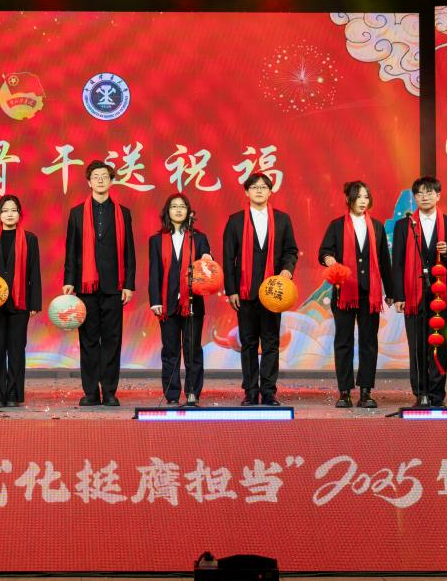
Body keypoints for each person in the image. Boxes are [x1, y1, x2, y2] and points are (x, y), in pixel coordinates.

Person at [63, 160, 137, 407]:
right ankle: (91, 392)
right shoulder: (76, 213)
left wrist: (128, 284)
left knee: (112, 341)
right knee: (88, 340)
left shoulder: (123, 213)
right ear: (89, 182)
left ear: (111, 180)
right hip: (86, 286)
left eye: (105, 176)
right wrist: (69, 281)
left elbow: (129, 252)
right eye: (96, 176)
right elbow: (71, 250)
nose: (100, 180)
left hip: (114, 286)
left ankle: (110, 391)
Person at [221, 173, 299, 406]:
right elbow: (228, 258)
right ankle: (250, 392)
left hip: (274, 293)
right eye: (254, 187)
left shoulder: (282, 219)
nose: (259, 190)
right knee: (248, 344)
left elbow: (291, 251)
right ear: (247, 192)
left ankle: (268, 392)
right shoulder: (235, 221)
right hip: (245, 293)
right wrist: (231, 290)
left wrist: (287, 270)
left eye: (263, 187)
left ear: (270, 191)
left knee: (271, 343)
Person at [318, 181, 395, 409]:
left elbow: (385, 261)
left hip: (369, 294)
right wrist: (329, 259)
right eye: (359, 197)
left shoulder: (377, 227)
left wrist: (391, 292)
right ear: (348, 200)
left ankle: (365, 391)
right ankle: (344, 392)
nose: (363, 201)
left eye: (366, 197)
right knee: (343, 342)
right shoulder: (337, 226)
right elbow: (324, 252)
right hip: (344, 292)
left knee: (368, 342)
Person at [391, 175, 447, 407]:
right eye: (420, 193)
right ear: (415, 197)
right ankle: (420, 393)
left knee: (439, 345)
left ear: (438, 196)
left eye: (429, 192)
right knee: (417, 346)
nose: (425, 197)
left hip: (440, 295)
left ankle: (437, 395)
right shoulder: (404, 225)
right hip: (413, 294)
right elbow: (397, 263)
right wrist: (399, 296)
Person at [0, 194, 43, 408]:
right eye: (5, 210)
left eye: (14, 210)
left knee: (16, 349)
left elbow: (34, 272)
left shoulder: (30, 239)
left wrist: (34, 304)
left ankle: (13, 393)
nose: (10, 214)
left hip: (20, 302)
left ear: (20, 214)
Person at [148, 193, 212, 406]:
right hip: (167, 302)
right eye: (174, 206)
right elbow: (154, 273)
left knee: (193, 349)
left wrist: (208, 258)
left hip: (193, 302)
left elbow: (207, 267)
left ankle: (193, 392)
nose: (178, 210)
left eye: (182, 207)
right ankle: (172, 394)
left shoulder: (199, 238)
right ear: (167, 211)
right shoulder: (156, 240)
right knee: (170, 349)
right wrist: (155, 300)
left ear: (188, 212)